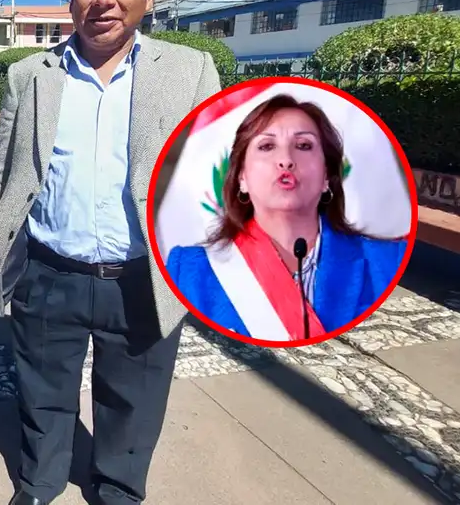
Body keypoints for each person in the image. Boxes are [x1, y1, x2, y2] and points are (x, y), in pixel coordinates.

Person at [0, 0, 222, 505]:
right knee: (42, 394)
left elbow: (214, 174)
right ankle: (39, 483)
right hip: (48, 272)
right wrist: (6, 238)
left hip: (143, 275)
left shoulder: (189, 71)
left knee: (134, 400)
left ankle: (118, 488)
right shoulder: (30, 75)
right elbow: (6, 173)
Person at [165, 94, 408, 341]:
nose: (285, 161)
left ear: (327, 176)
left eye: (303, 146)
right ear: (242, 178)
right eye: (267, 146)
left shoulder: (386, 262)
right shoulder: (187, 269)